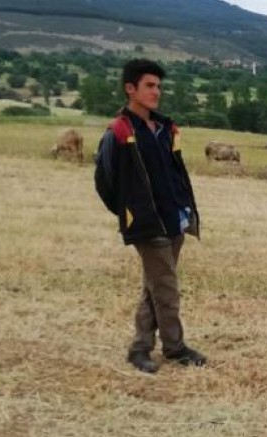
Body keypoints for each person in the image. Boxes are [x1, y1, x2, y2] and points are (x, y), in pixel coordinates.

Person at [94, 59, 206, 373]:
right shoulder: (119, 132)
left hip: (175, 220)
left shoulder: (166, 128)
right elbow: (105, 181)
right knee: (166, 287)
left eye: (159, 86)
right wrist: (130, 212)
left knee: (155, 286)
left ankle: (140, 347)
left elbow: (175, 171)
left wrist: (185, 207)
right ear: (130, 88)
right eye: (149, 85)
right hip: (147, 224)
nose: (157, 92)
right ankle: (175, 347)